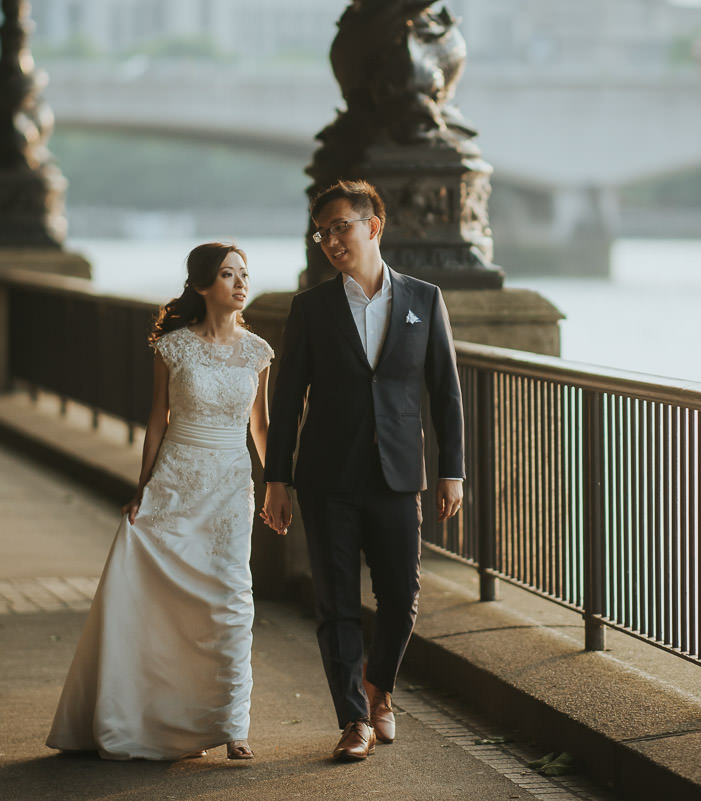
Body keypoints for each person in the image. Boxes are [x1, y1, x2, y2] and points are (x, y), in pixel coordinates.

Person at [261, 179, 465, 761]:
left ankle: (379, 687)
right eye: (321, 232)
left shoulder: (425, 300)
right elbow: (288, 395)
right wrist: (278, 480)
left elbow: (444, 392)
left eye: (339, 227)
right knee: (337, 603)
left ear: (372, 227)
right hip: (328, 479)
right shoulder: (311, 308)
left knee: (401, 598)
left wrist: (453, 470)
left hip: (399, 477)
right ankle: (354, 718)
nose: (329, 241)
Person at [47, 243, 273, 762]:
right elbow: (157, 421)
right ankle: (146, 711)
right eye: (227, 274)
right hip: (176, 479)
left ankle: (233, 723)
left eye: (244, 274)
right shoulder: (174, 347)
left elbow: (259, 425)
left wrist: (280, 483)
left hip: (231, 486)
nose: (240, 283)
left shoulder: (259, 352)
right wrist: (142, 486)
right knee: (153, 591)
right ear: (201, 285)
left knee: (233, 600)